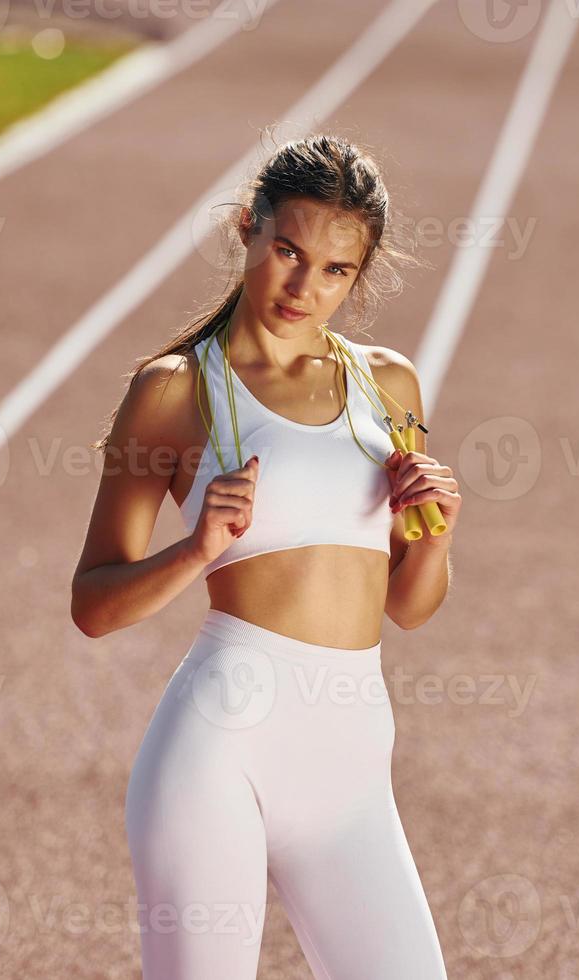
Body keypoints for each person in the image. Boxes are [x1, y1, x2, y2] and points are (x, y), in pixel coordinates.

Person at [72, 133, 460, 979]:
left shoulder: (389, 386)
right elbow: (93, 605)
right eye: (288, 251)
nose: (303, 286)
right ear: (247, 228)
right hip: (219, 747)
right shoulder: (172, 389)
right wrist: (197, 549)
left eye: (334, 270)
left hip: (354, 763)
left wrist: (437, 530)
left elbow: (410, 602)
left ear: (359, 277)